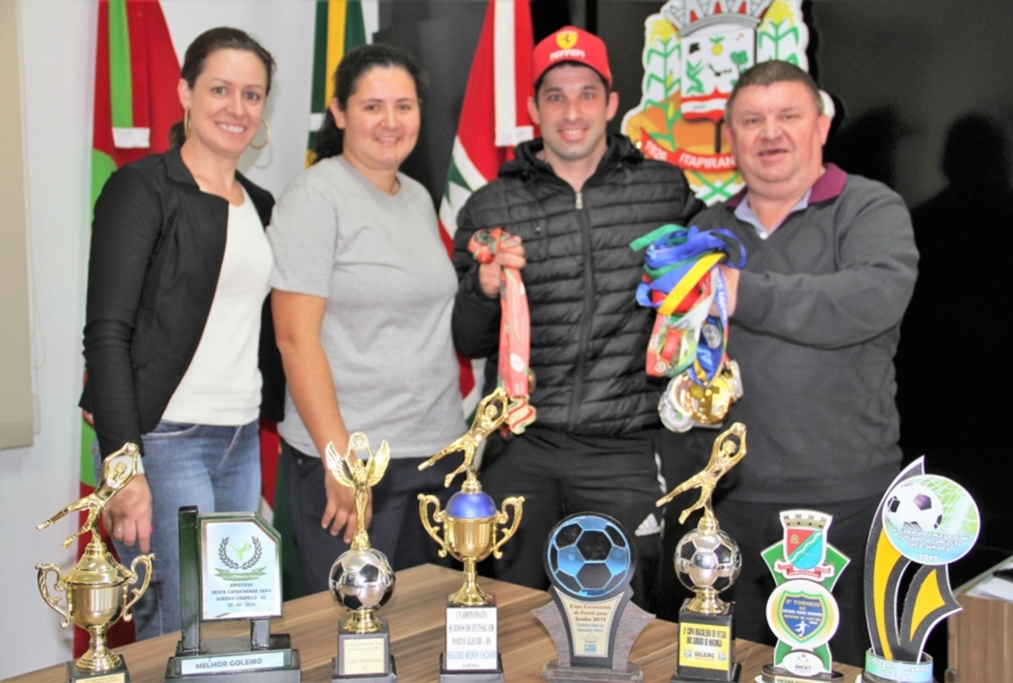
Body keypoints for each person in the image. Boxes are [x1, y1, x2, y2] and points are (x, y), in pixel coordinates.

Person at [451, 27, 704, 610]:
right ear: (534, 108)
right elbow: (467, 339)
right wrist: (485, 288)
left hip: (623, 449)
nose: (572, 112)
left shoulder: (664, 190)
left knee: (619, 620)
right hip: (520, 445)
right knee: (502, 611)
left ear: (612, 104)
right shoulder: (491, 205)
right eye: (556, 96)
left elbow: (699, 305)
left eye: (587, 94)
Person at [679, 60, 918, 664]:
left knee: (837, 668)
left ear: (821, 123)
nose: (770, 133)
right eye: (752, 120)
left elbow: (871, 300)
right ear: (730, 136)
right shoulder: (706, 230)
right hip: (729, 503)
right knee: (729, 665)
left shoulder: (868, 208)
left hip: (843, 503)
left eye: (788, 116)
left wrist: (741, 290)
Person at [79, 27, 282, 639]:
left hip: (239, 438)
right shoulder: (140, 189)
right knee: (179, 626)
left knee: (230, 624)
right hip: (163, 441)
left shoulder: (263, 203)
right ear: (185, 93)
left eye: (252, 95)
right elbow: (107, 332)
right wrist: (123, 466)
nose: (236, 108)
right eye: (220, 89)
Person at [268, 44, 466, 596]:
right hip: (355, 468)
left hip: (434, 457)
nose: (390, 122)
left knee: (424, 637)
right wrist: (340, 462)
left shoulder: (420, 198)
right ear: (339, 113)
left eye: (404, 106)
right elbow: (294, 336)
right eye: (372, 106)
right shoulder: (315, 196)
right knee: (351, 642)